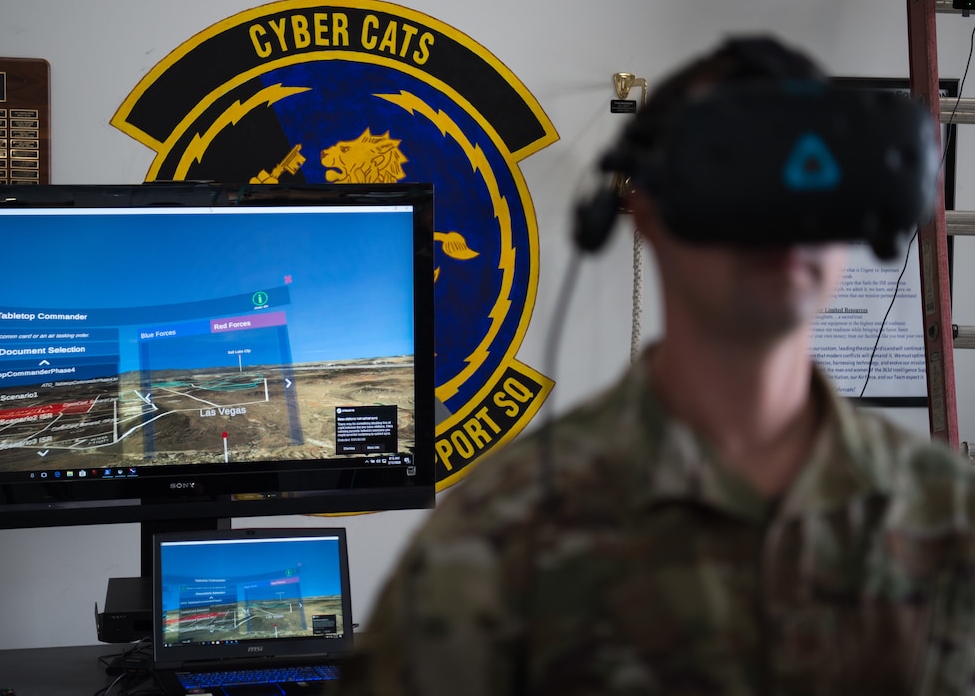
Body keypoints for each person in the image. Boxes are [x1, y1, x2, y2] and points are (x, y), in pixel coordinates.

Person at [328, 37, 975, 695]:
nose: (784, 214)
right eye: (732, 165)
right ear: (642, 209)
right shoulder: (500, 542)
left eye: (812, 164)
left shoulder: (949, 519)